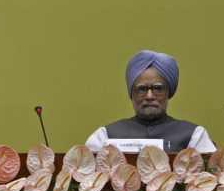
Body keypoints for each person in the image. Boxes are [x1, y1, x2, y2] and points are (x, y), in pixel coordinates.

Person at [85, 50, 216, 153]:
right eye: (141, 89)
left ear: (168, 92)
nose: (149, 96)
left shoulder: (194, 135)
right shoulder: (105, 136)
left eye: (157, 88)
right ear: (131, 94)